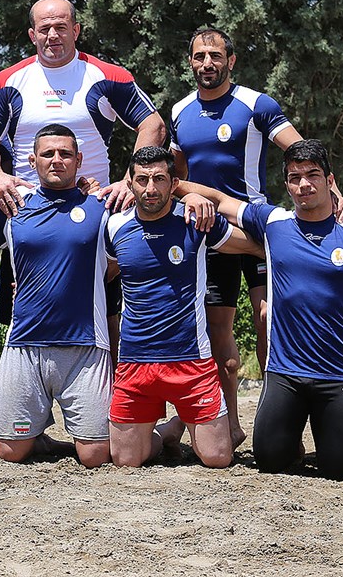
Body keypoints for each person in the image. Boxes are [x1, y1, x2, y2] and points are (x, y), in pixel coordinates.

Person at [175, 140, 343, 480]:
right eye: (295, 178)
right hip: (285, 374)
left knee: (340, 470)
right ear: (286, 185)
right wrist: (177, 188)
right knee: (269, 460)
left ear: (330, 181)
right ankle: (291, 434)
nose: (304, 184)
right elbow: (220, 201)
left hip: (339, 375)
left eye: (313, 175)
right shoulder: (273, 222)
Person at [0, 0, 167, 355]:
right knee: (22, 313)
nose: (53, 35)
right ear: (32, 34)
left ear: (76, 30)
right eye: (44, 28)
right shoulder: (7, 81)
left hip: (91, 215)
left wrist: (129, 181)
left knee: (106, 318)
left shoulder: (107, 76)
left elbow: (152, 124)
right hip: (30, 217)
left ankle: (108, 391)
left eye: (61, 27)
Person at [169, 27, 303, 446]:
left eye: (215, 55)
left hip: (254, 226)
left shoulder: (256, 104)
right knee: (216, 331)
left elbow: (299, 152)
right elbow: (176, 175)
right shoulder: (180, 110)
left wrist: (332, 196)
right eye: (199, 56)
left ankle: (278, 427)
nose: (207, 63)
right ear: (190, 62)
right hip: (208, 233)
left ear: (231, 61)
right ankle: (229, 425)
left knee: (267, 321)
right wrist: (187, 197)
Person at [104, 146, 262, 468]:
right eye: (142, 180)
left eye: (159, 179)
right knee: (126, 460)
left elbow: (253, 245)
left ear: (174, 183)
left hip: (191, 359)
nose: (150, 189)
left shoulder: (197, 221)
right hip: (135, 361)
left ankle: (182, 422)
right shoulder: (114, 227)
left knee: (217, 457)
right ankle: (167, 432)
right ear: (130, 184)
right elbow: (102, 275)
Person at [0, 125, 113, 468]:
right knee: (9, 453)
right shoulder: (11, 204)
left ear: (79, 160)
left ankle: (163, 431)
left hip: (85, 345)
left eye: (65, 154)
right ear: (33, 161)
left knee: (95, 457)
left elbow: (122, 258)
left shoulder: (102, 207)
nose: (57, 160)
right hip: (25, 341)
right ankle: (37, 432)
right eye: (48, 154)